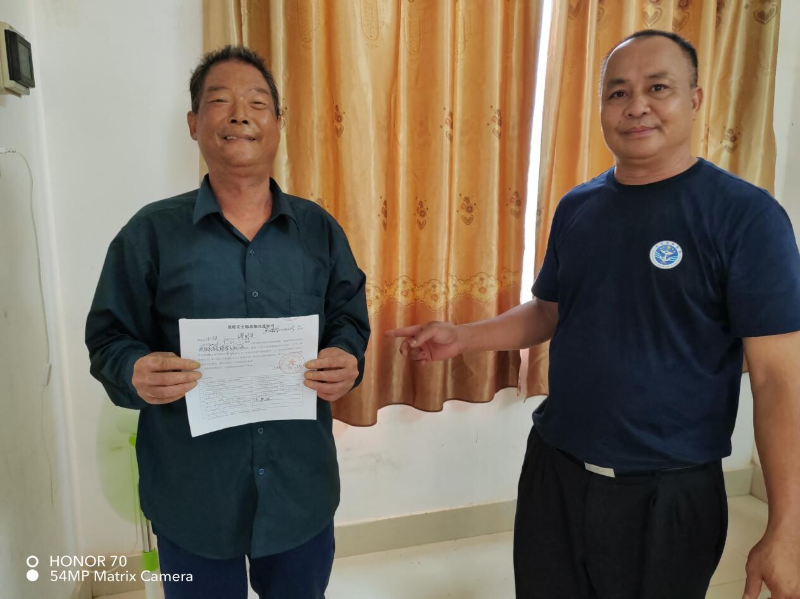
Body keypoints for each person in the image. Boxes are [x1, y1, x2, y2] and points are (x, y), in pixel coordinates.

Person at [388, 30, 800, 599]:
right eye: (618, 92)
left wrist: (787, 529)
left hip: (668, 493)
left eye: (658, 88)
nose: (637, 106)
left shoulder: (746, 218)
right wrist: (463, 336)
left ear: (695, 99)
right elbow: (549, 312)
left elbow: (781, 380)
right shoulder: (579, 207)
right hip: (555, 472)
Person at [86, 45, 370, 599]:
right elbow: (108, 338)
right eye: (220, 101)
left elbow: (348, 317)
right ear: (194, 124)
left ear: (278, 125)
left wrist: (346, 355)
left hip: (298, 489)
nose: (240, 114)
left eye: (258, 103)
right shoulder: (151, 233)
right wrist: (135, 369)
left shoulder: (318, 231)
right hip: (191, 495)